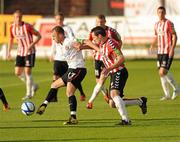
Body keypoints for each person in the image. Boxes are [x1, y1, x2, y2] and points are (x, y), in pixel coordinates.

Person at [36, 26, 87, 125]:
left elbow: (79, 44)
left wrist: (96, 49)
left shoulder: (68, 41)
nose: (53, 38)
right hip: (71, 69)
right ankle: (44, 104)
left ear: (60, 35)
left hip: (78, 69)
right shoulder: (62, 44)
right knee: (54, 85)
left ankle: (73, 118)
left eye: (54, 36)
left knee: (69, 92)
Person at [84, 26, 132, 125]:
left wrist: (109, 68)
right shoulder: (102, 44)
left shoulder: (111, 43)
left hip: (119, 71)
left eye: (94, 38)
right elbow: (90, 45)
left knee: (114, 95)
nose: (93, 40)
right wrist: (81, 47)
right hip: (113, 72)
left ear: (100, 36)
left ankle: (126, 120)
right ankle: (139, 103)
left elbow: (121, 59)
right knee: (113, 102)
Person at [87, 14, 122, 109]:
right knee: (98, 80)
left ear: (105, 21)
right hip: (98, 59)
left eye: (101, 22)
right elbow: (89, 43)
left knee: (103, 79)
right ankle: (106, 94)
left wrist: (116, 54)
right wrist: (92, 52)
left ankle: (112, 95)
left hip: (108, 60)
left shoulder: (111, 31)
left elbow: (119, 41)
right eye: (98, 22)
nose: (100, 23)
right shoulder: (93, 32)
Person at [50, 12, 86, 102]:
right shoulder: (54, 30)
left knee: (72, 77)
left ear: (63, 19)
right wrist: (52, 53)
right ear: (55, 20)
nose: (59, 21)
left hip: (67, 58)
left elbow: (72, 40)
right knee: (55, 76)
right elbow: (53, 43)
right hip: (58, 57)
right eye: (57, 19)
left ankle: (81, 92)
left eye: (60, 19)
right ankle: (54, 97)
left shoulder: (67, 29)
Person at [7, 10, 41, 100]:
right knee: (18, 73)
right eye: (16, 17)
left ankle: (29, 93)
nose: (18, 19)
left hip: (30, 52)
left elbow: (39, 35)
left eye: (19, 17)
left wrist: (31, 45)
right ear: (13, 18)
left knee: (27, 72)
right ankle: (33, 85)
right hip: (20, 52)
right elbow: (10, 39)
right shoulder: (12, 28)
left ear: (22, 17)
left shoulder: (27, 26)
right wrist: (8, 52)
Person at [150, 6, 180, 100]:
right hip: (160, 52)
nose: (161, 14)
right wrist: (152, 44)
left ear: (165, 13)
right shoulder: (156, 24)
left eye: (162, 12)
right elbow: (156, 36)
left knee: (163, 71)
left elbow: (175, 36)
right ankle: (167, 94)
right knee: (161, 73)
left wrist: (172, 49)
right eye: (159, 12)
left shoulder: (169, 23)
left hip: (167, 51)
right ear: (157, 13)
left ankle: (176, 89)